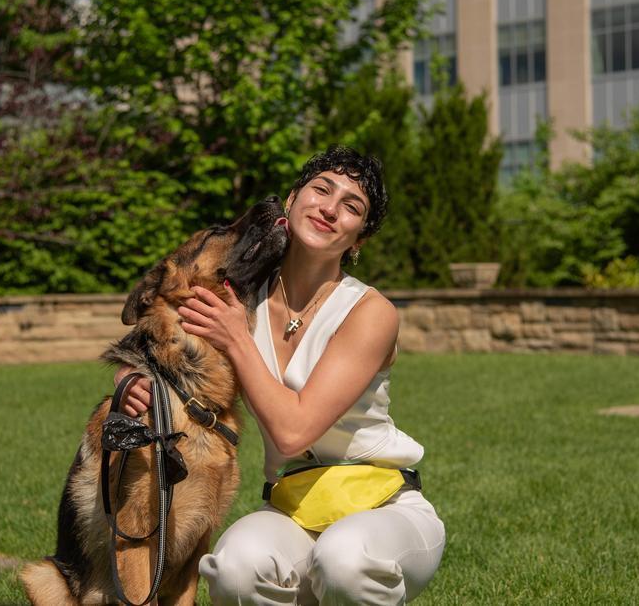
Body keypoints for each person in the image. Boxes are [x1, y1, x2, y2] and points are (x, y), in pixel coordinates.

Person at [114, 146, 445, 605]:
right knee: (234, 568)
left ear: (359, 240)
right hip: (292, 507)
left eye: (352, 207)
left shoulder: (370, 312)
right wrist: (132, 381)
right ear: (291, 201)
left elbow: (292, 433)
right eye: (321, 190)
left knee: (343, 561)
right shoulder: (244, 297)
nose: (331, 208)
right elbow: (160, 333)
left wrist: (236, 341)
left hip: (383, 508)